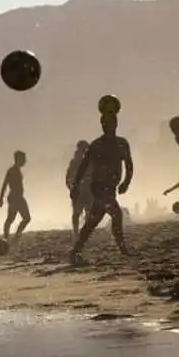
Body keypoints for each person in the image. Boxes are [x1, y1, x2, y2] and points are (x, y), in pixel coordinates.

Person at [69, 113, 134, 263]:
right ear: (102, 125)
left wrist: (126, 182)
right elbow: (84, 165)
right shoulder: (96, 145)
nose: (107, 127)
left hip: (110, 187)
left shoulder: (122, 144)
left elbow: (129, 165)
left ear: (115, 124)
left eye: (109, 124)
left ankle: (76, 250)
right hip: (99, 188)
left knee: (94, 220)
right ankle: (122, 249)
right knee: (116, 215)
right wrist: (75, 185)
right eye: (104, 124)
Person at [0, 151, 31, 241]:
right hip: (15, 197)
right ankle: (7, 237)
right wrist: (1, 198)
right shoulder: (12, 171)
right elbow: (5, 184)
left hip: (18, 197)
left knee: (24, 218)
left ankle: (14, 235)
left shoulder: (16, 170)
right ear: (18, 159)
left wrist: (1, 198)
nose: (25, 161)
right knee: (12, 218)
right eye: (23, 159)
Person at [65, 140, 92, 238]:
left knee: (84, 213)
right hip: (81, 191)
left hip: (86, 190)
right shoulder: (76, 162)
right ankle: (77, 232)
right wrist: (72, 187)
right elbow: (68, 177)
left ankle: (79, 232)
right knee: (79, 213)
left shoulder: (87, 161)